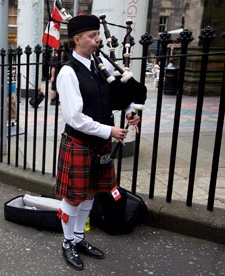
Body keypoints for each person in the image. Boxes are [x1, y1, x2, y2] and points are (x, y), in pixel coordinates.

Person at [55, 15, 141, 270]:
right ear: (77, 39)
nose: (98, 39)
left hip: (99, 143)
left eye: (97, 34)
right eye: (92, 36)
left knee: (91, 192)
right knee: (73, 197)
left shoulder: (100, 63)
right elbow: (74, 117)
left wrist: (128, 110)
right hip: (80, 143)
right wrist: (109, 130)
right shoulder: (68, 72)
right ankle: (68, 241)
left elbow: (117, 93)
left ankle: (80, 238)